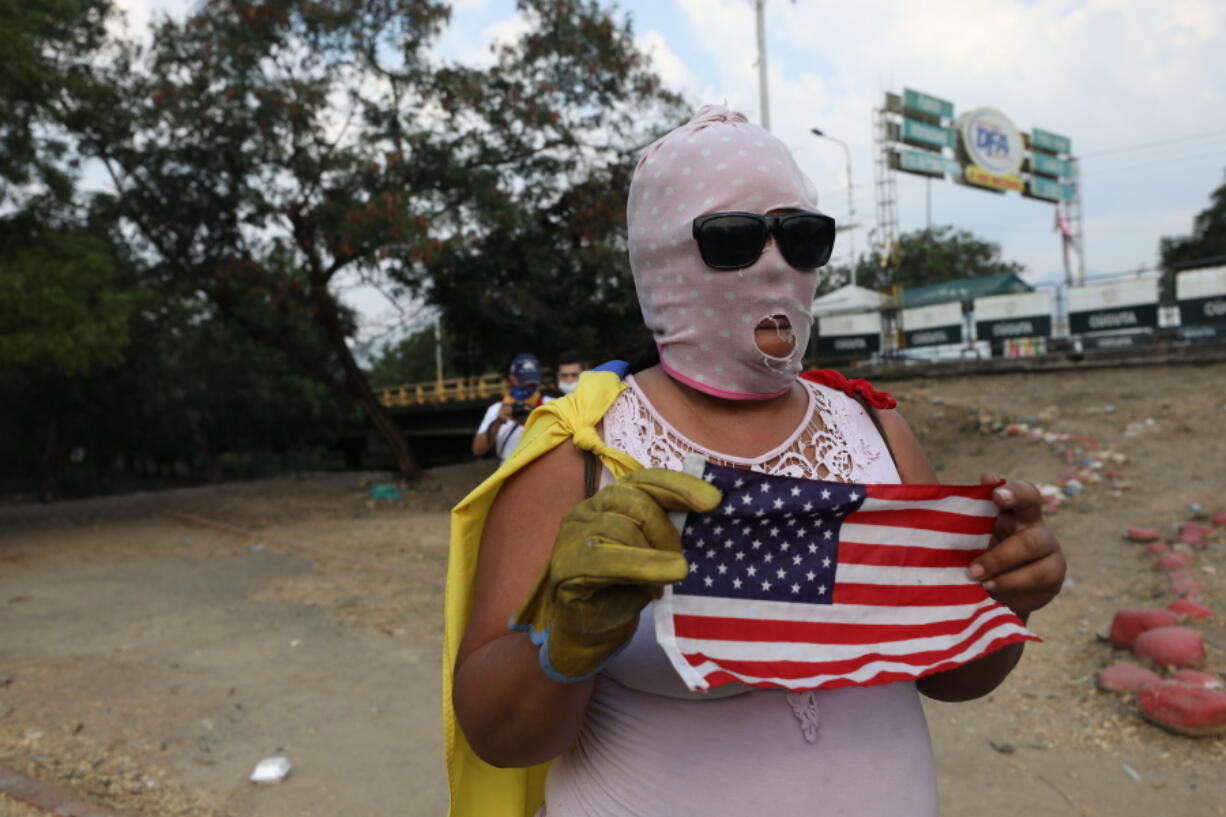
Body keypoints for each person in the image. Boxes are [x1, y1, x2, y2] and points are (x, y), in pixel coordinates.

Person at [445, 106, 1066, 817]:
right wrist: (561, 640)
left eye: (802, 237)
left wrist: (1003, 595)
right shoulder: (579, 453)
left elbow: (949, 674)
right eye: (733, 239)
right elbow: (497, 732)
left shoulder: (875, 427)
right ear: (660, 253)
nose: (775, 263)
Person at [471, 353, 546, 462]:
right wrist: (497, 423)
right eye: (524, 383)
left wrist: (531, 422)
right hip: (509, 476)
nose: (528, 389)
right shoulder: (496, 409)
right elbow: (477, 450)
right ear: (512, 378)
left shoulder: (551, 404)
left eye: (532, 385)